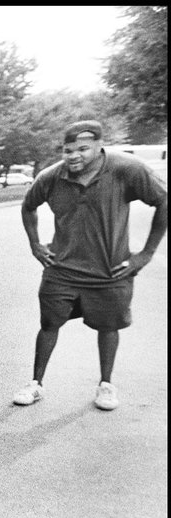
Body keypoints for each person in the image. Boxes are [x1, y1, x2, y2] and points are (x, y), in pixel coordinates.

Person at [13, 119, 167, 411]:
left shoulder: (126, 169)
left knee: (108, 326)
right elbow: (28, 206)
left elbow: (164, 201)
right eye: (67, 150)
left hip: (111, 271)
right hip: (63, 269)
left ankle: (105, 384)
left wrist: (145, 254)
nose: (74, 156)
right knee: (48, 323)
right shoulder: (51, 177)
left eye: (82, 149)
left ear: (99, 146)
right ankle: (36, 383)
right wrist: (35, 244)